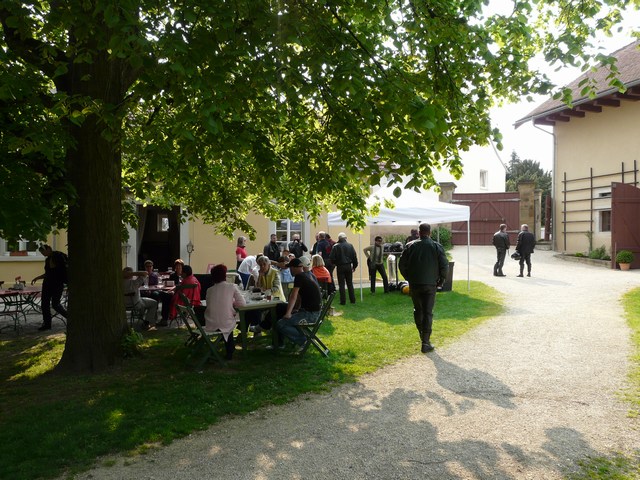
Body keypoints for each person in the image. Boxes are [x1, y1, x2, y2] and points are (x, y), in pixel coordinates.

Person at [399, 223, 448, 353]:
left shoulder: (410, 246)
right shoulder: (436, 246)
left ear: (419, 232)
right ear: (429, 232)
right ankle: (425, 341)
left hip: (415, 284)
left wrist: (409, 277)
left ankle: (423, 336)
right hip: (430, 284)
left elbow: (402, 265)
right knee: (427, 312)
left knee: (418, 310)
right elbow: (444, 265)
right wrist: (441, 280)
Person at [276, 257, 323, 350]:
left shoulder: (299, 276)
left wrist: (288, 313)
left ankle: (303, 340)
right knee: (281, 308)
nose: (290, 270)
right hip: (316, 312)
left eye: (290, 268)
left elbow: (293, 296)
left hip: (310, 315)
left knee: (281, 324)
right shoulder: (309, 274)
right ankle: (284, 341)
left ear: (295, 268)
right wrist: (295, 309)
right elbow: (300, 297)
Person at [204, 264, 246, 360]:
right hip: (225, 323)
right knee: (227, 320)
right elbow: (242, 303)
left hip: (210, 323)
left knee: (225, 319)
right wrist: (233, 303)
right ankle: (230, 350)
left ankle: (228, 347)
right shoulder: (232, 287)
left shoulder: (209, 290)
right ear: (224, 275)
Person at [31, 244, 68, 331]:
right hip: (47, 284)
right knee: (44, 304)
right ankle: (47, 324)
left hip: (57, 284)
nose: (43, 254)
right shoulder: (48, 259)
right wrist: (38, 277)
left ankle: (69, 317)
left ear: (49, 249)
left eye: (43, 251)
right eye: (41, 253)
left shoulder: (58, 256)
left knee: (55, 304)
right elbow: (48, 272)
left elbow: (62, 271)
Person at [329, 232, 358, 305]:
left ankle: (343, 301)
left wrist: (335, 263)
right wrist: (354, 266)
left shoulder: (335, 246)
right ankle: (352, 300)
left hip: (340, 266)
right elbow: (354, 257)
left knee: (341, 284)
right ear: (346, 238)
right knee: (350, 283)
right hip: (348, 266)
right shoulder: (350, 246)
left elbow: (331, 258)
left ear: (339, 238)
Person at [158, 259, 184, 326]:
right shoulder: (173, 275)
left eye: (179, 266)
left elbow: (182, 287)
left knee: (166, 298)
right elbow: (170, 284)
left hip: (180, 296)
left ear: (182, 267)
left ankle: (165, 318)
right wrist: (171, 291)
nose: (178, 267)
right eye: (177, 266)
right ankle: (165, 318)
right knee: (164, 296)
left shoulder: (184, 275)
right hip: (174, 292)